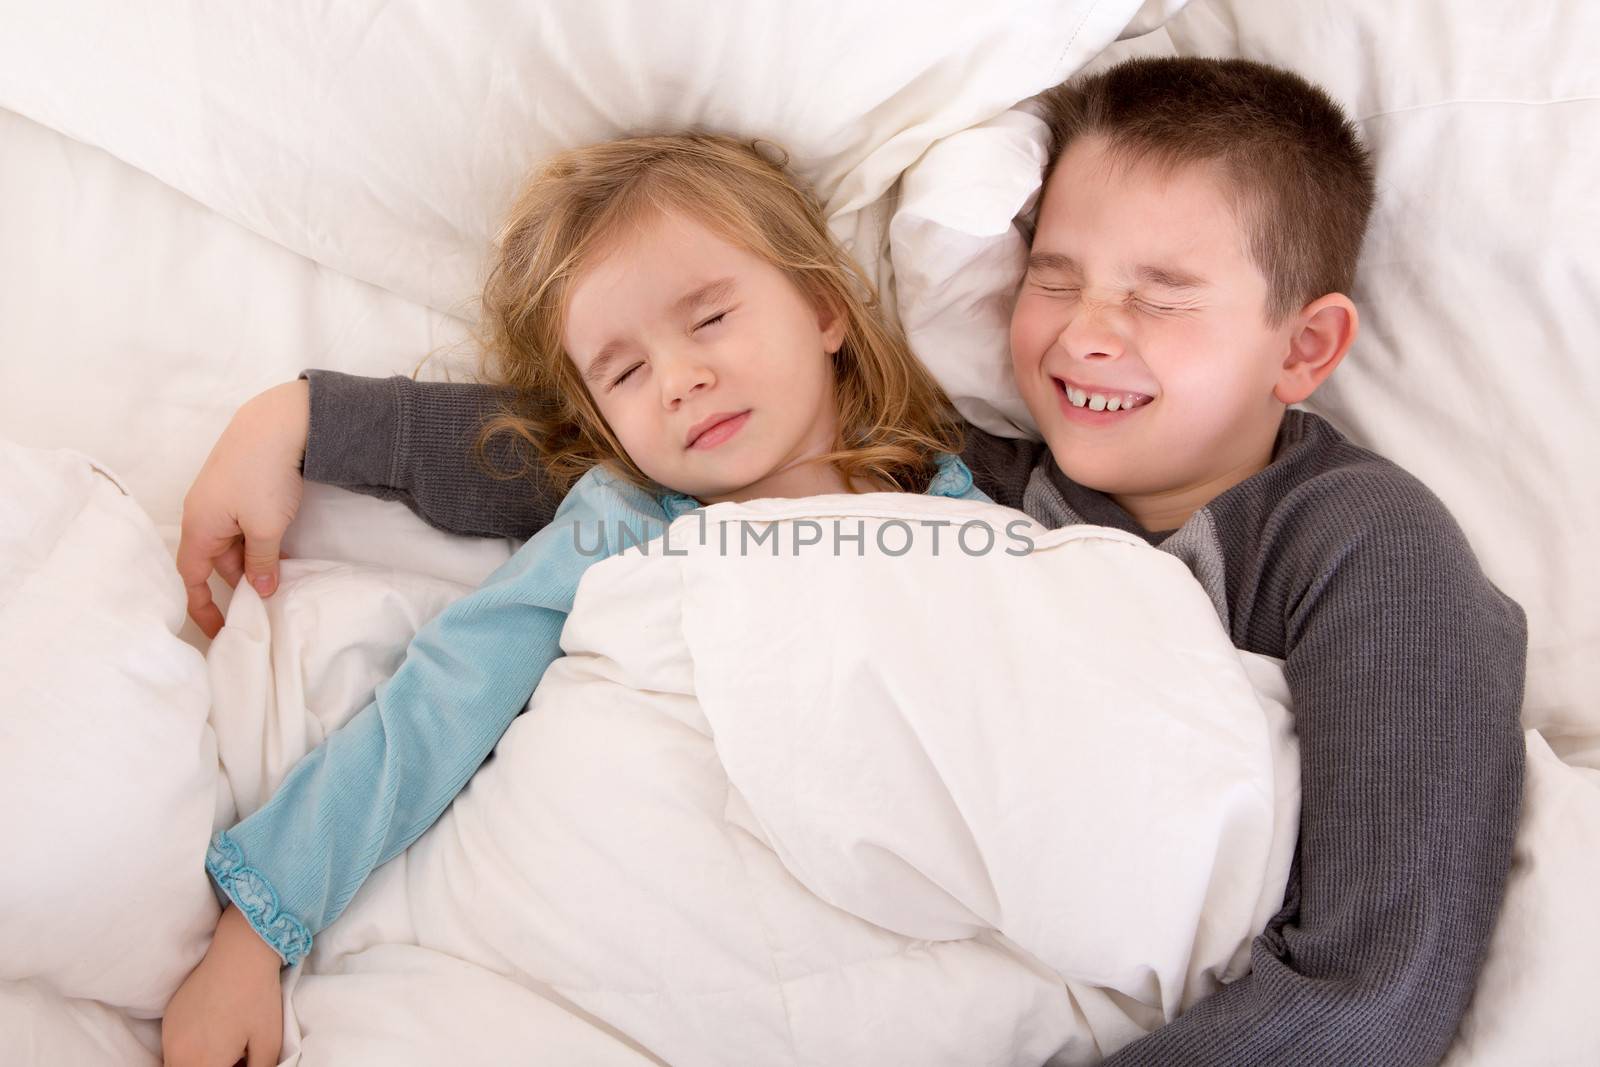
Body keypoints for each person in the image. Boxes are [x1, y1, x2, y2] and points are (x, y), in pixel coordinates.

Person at [177, 58, 1529, 1066]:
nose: (1084, 335)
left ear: (1304, 348)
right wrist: (309, 420)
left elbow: (1378, 981)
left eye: (1160, 296)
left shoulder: (1371, 551)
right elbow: (655, 460)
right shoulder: (987, 473)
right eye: (1054, 277)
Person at [160, 131, 989, 1067]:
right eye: (626, 372)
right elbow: (445, 695)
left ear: (825, 307)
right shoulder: (620, 522)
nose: (680, 381)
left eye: (711, 318)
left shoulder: (964, 516)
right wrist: (258, 928)